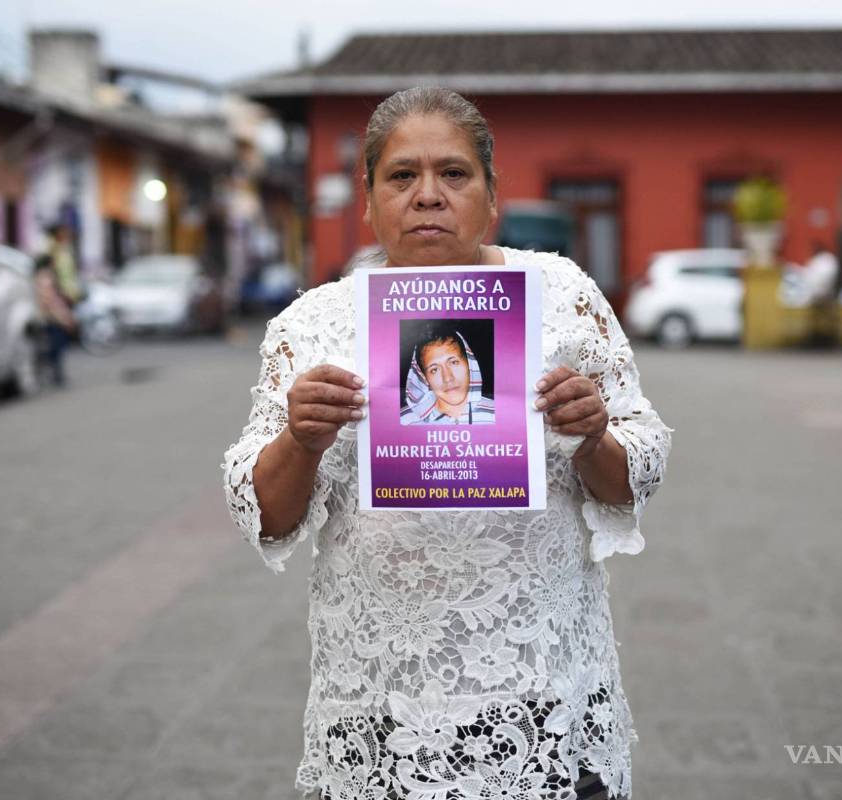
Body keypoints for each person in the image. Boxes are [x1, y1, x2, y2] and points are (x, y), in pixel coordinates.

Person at [222, 87, 673, 800]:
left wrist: (592, 437)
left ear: (492, 197)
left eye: (453, 174)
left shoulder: (561, 295)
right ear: (367, 202)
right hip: (380, 699)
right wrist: (298, 440)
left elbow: (635, 471)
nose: (428, 195)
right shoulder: (310, 327)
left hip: (541, 690)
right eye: (402, 176)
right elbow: (266, 514)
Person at [400, 322, 494, 424]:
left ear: (470, 363)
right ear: (424, 378)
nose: (448, 378)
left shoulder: (498, 415)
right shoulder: (404, 421)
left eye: (454, 362)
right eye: (434, 370)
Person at [33, 255, 75, 387]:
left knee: (53, 347)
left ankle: (54, 373)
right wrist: (63, 318)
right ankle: (55, 374)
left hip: (50, 317)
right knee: (55, 347)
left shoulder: (41, 277)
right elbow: (50, 301)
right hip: (52, 318)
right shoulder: (45, 278)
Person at [46, 223, 82, 307]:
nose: (66, 235)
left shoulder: (65, 249)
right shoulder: (53, 251)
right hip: (61, 294)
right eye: (62, 232)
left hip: (70, 291)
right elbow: (53, 273)